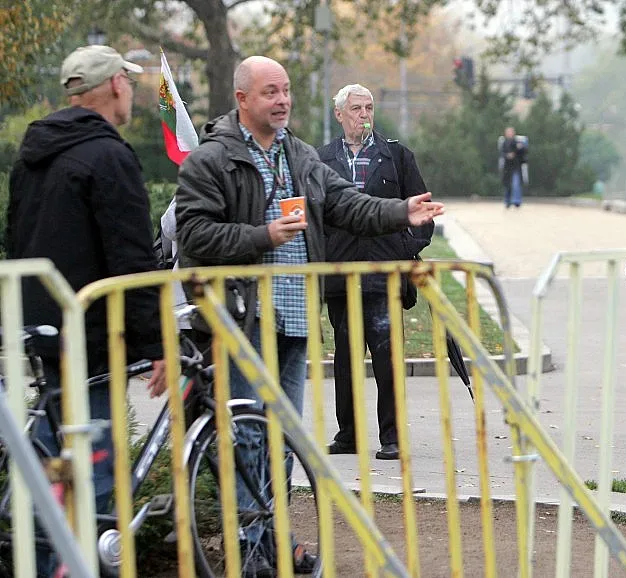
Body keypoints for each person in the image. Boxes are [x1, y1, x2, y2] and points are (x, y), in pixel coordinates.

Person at [175, 56, 443, 573]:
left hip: (295, 321)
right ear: (243, 100)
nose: (282, 101)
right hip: (241, 319)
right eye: (270, 92)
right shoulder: (213, 160)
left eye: (287, 91)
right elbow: (194, 235)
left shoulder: (298, 155)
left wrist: (399, 211)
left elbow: (346, 204)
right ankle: (248, 547)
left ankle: (272, 540)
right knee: (249, 435)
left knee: (283, 436)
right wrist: (261, 236)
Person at [6, 45, 167, 577]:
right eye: (129, 81)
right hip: (94, 337)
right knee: (93, 483)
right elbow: (132, 261)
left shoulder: (33, 156)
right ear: (116, 85)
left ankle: (41, 554)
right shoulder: (109, 156)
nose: (133, 92)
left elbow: (16, 240)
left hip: (43, 330)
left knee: (54, 462)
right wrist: (158, 345)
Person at [317, 84, 433, 461]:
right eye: (355, 108)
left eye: (368, 107)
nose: (364, 114)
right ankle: (348, 434)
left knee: (387, 358)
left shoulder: (397, 156)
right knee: (346, 359)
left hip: (385, 275)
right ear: (339, 114)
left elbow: (423, 214)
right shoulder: (321, 160)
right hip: (340, 275)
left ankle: (392, 437)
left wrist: (404, 250)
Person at [498, 126, 528, 208]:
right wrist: (507, 155)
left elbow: (524, 152)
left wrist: (520, 148)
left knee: (516, 184)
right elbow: (502, 153)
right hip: (507, 167)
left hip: (516, 166)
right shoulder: (504, 143)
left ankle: (516, 201)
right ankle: (507, 201)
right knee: (507, 185)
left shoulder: (518, 142)